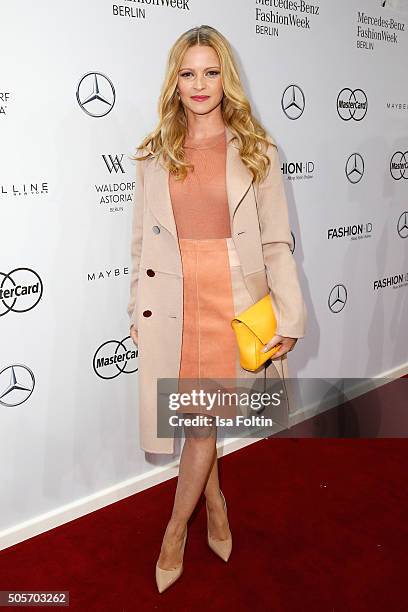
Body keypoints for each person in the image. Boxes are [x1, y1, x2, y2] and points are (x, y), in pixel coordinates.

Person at [127, 25, 307, 593]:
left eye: (210, 71)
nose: (200, 84)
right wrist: (137, 309)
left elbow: (277, 242)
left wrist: (290, 316)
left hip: (231, 297)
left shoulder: (256, 150)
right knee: (195, 417)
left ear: (225, 77)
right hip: (173, 300)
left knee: (201, 424)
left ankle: (175, 531)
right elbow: (141, 243)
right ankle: (215, 501)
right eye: (188, 73)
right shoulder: (155, 154)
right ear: (174, 83)